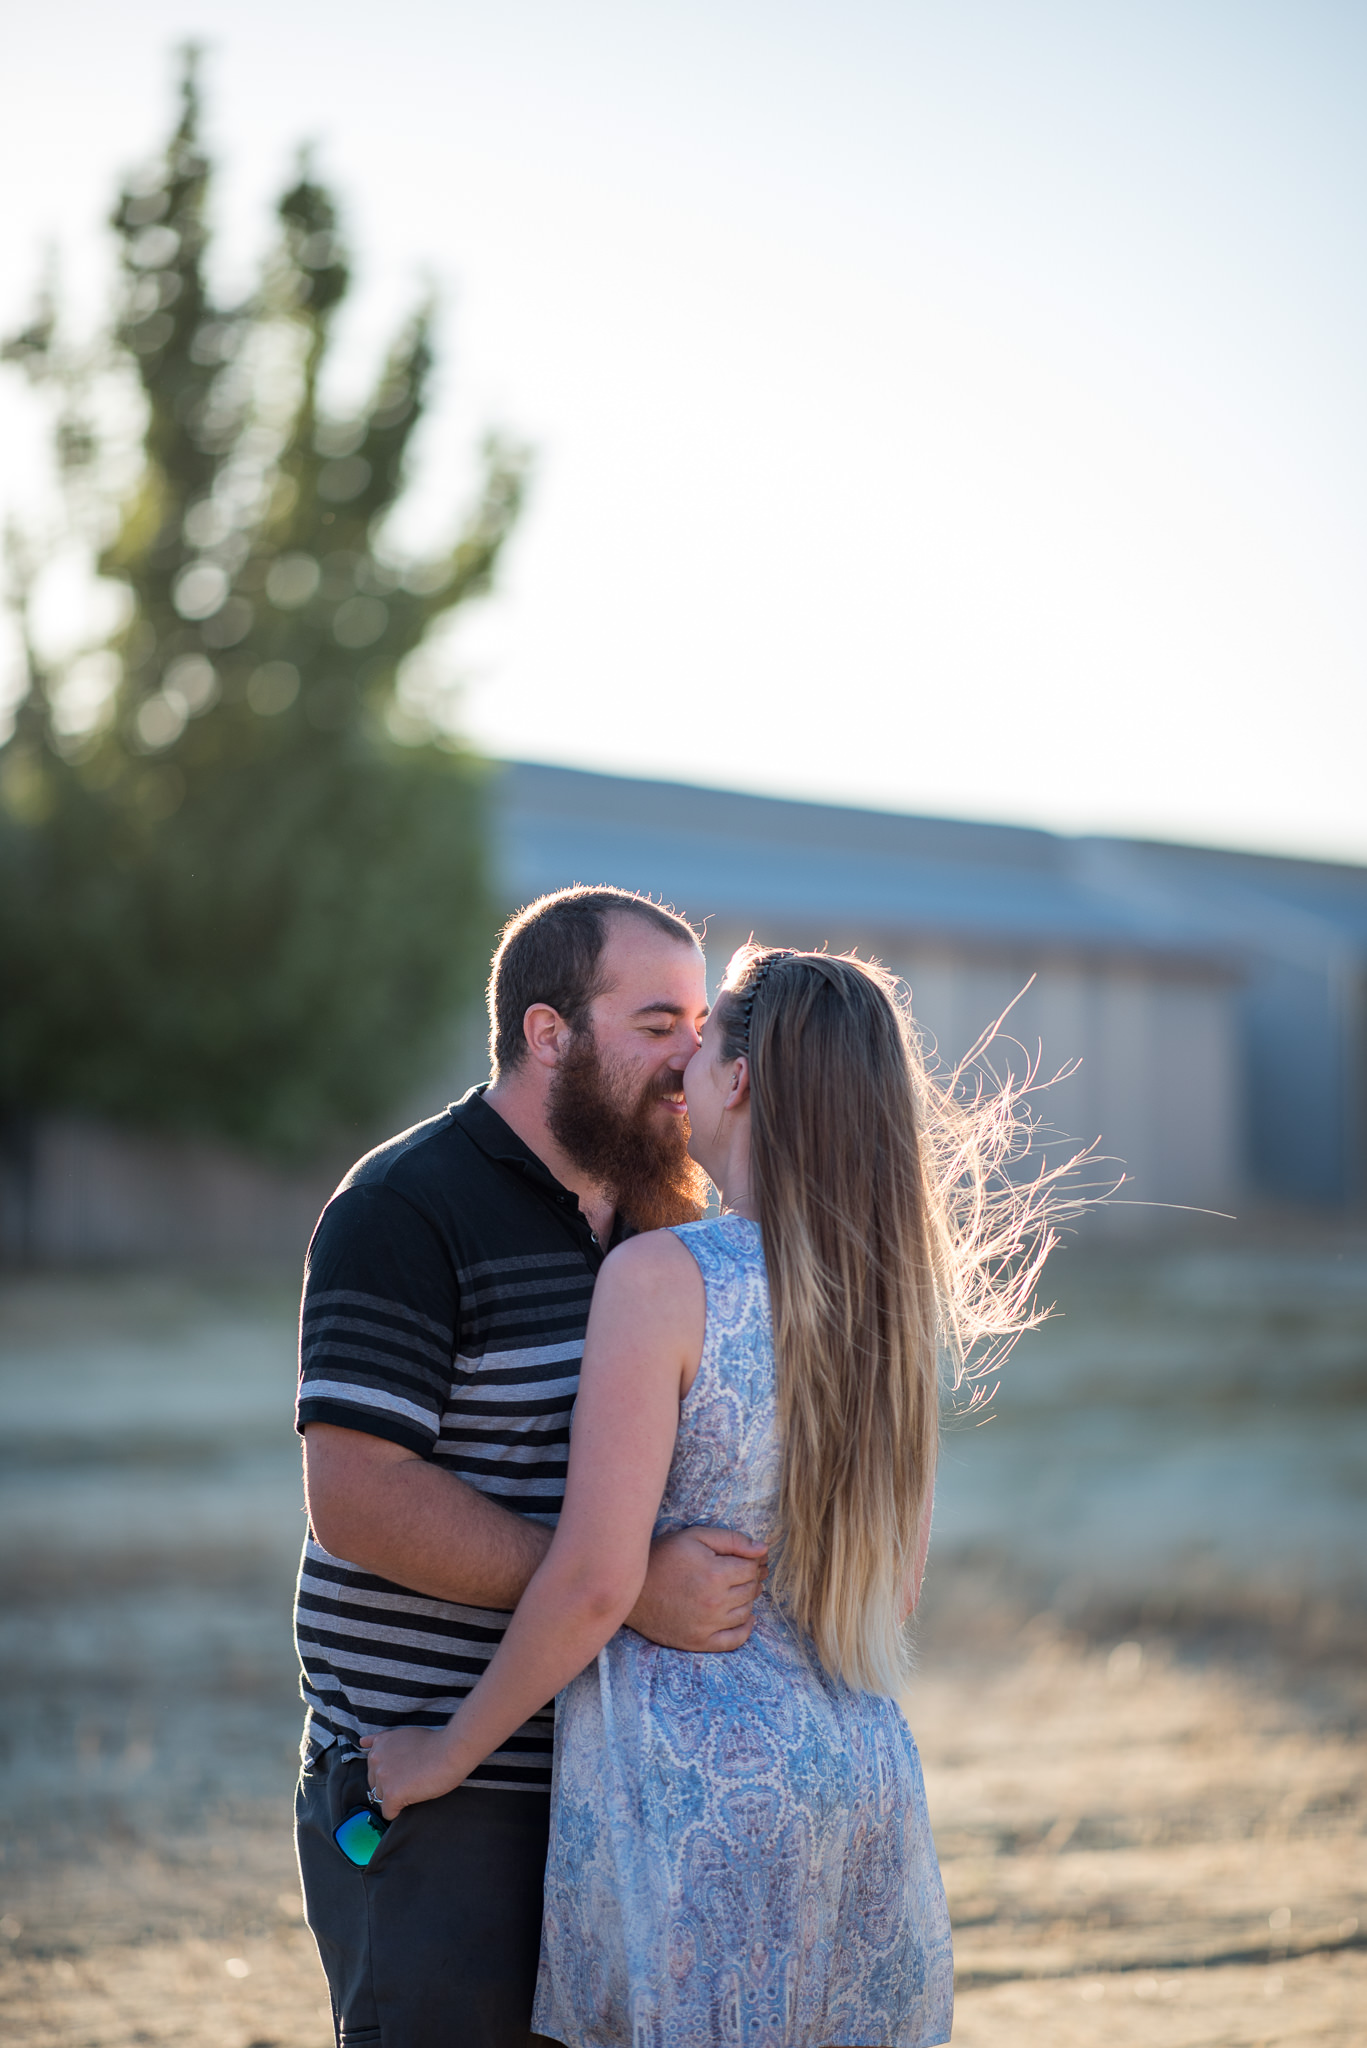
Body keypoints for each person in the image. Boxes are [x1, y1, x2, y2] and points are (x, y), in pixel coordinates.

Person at [365, 946, 1063, 2047]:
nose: (682, 1054)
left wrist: (441, 1753)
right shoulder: (888, 1299)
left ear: (737, 1080)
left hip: (695, 1796)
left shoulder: (661, 1278)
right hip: (861, 1780)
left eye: (707, 1037)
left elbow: (597, 1581)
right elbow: (898, 1585)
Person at [292, 887, 770, 2048]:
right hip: (442, 1780)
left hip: (634, 1776)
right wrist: (617, 1587)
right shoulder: (405, 1207)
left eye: (698, 1024)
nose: (689, 1055)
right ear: (546, 1032)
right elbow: (356, 1497)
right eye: (655, 1023)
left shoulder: (674, 1216)